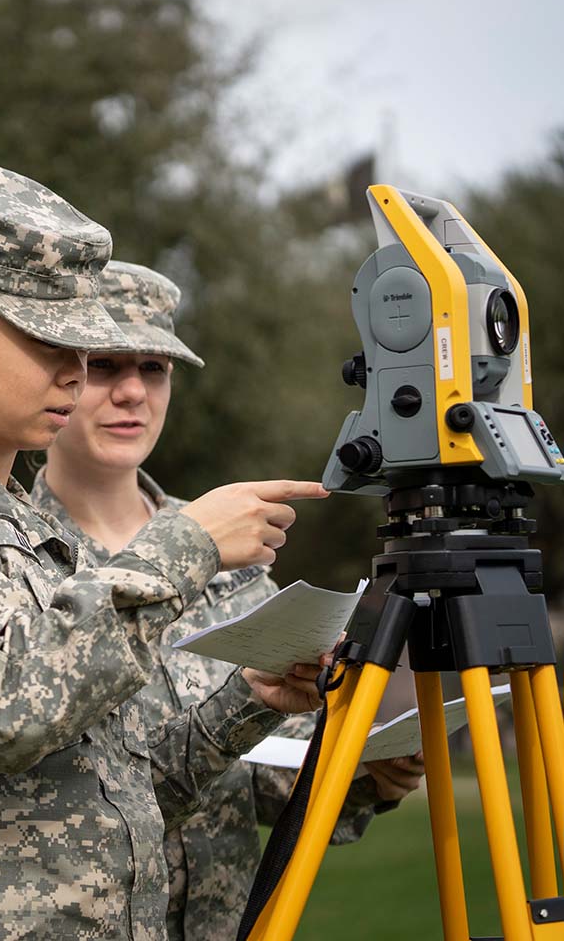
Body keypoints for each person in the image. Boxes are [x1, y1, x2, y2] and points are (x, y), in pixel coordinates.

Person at [0, 160, 331, 940]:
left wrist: (248, 700)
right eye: (50, 341)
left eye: (85, 351)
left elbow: (118, 787)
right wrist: (184, 547)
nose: (76, 376)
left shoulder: (22, 523)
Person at [32, 260, 426, 941]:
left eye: (154, 368)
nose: (132, 392)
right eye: (105, 366)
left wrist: (367, 776)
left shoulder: (233, 551)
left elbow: (259, 773)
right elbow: (44, 802)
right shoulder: (17, 557)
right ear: (58, 371)